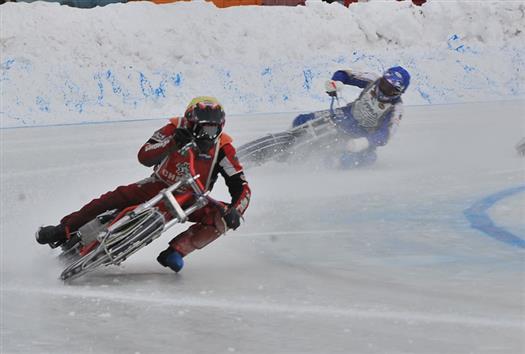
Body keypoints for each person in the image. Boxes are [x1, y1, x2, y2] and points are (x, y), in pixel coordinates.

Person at [36, 96, 251, 273]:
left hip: (192, 198)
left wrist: (235, 210)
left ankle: (177, 251)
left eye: (212, 130)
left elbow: (241, 186)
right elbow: (144, 156)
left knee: (221, 219)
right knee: (111, 199)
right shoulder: (173, 129)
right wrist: (173, 142)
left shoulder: (224, 148)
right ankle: (63, 230)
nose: (207, 135)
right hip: (157, 185)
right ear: (190, 123)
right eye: (202, 129)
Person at [292, 66, 410, 168]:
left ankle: (327, 162)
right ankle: (290, 138)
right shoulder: (373, 80)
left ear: (398, 93)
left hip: (363, 134)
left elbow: (386, 134)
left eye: (390, 89)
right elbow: (344, 74)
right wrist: (336, 83)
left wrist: (366, 142)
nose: (384, 90)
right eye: (384, 84)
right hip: (346, 115)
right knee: (302, 119)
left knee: (361, 159)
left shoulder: (396, 108)